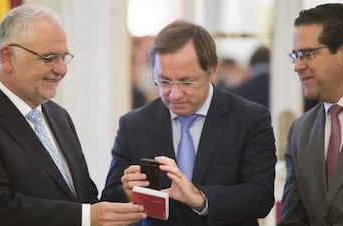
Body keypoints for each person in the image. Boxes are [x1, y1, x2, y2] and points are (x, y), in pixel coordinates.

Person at [0, 4, 146, 226]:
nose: (61, 69)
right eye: (49, 58)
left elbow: (85, 201)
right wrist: (86, 217)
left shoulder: (58, 116)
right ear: (8, 57)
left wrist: (123, 195)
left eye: (64, 57)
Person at [101, 20, 277, 226]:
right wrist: (126, 192)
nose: (175, 94)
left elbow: (260, 197)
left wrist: (201, 198)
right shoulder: (134, 125)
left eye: (187, 81)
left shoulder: (249, 119)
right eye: (164, 81)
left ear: (213, 71)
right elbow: (109, 198)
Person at [278, 3, 343, 225]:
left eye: (308, 54)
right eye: (295, 55)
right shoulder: (300, 131)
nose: (297, 66)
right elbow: (293, 218)